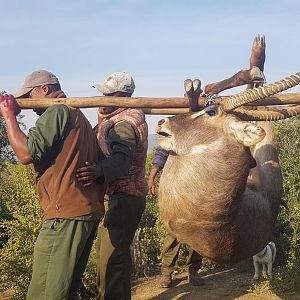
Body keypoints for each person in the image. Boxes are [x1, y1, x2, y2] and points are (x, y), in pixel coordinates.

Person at [0, 70, 106, 300]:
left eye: (29, 96)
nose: (29, 103)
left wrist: (9, 117)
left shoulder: (57, 111)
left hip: (64, 215)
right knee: (65, 289)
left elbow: (26, 154)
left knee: (46, 291)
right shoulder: (77, 116)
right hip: (84, 212)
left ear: (45, 90)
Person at [76, 72, 148, 300]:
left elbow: (121, 158)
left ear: (122, 96)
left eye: (108, 94)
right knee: (113, 255)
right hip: (125, 195)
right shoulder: (117, 119)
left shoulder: (124, 124)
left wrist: (100, 170)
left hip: (123, 195)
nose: (102, 99)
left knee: (111, 258)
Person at [148, 145, 205, 288]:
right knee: (173, 231)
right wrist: (151, 177)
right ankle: (166, 273)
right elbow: (162, 152)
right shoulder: (178, 125)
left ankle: (194, 270)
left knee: (197, 232)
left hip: (201, 189)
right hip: (177, 189)